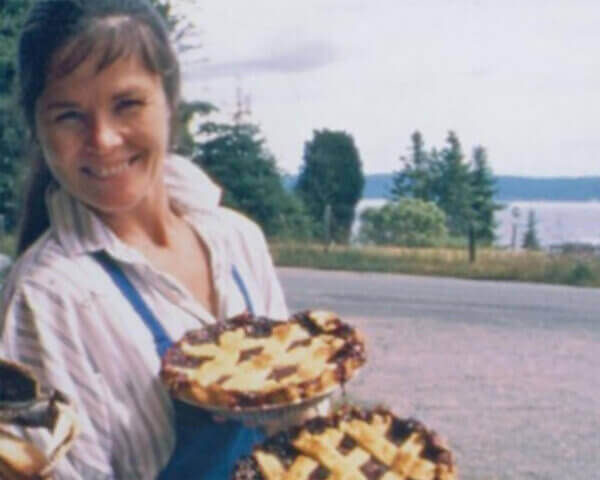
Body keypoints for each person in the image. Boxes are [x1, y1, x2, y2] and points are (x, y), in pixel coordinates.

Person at [0, 0, 289, 478]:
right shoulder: (48, 298)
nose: (104, 139)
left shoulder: (237, 240)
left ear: (170, 98)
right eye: (69, 115)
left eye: (127, 104)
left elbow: (298, 415)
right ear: (37, 128)